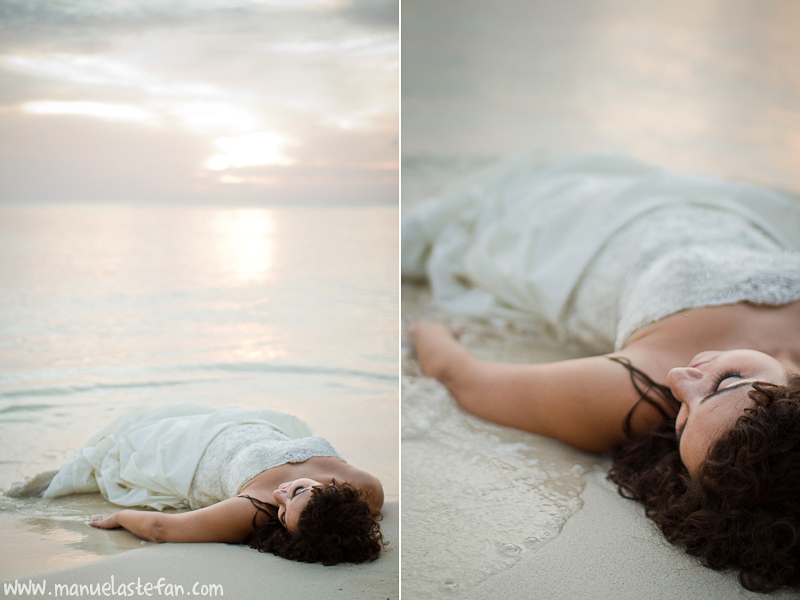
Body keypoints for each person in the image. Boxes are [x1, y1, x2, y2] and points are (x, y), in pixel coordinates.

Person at [404, 152, 800, 592]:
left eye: (682, 420)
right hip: (722, 208)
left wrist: (427, 329)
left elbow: (463, 378)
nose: (678, 381)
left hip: (571, 239)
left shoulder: (636, 391)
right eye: (725, 383)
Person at [12, 403, 385, 565]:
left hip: (187, 457)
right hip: (241, 425)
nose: (278, 496)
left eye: (284, 513)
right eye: (297, 493)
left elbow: (161, 529)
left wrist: (120, 516)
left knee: (118, 451)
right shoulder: (367, 486)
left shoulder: (256, 510)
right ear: (336, 491)